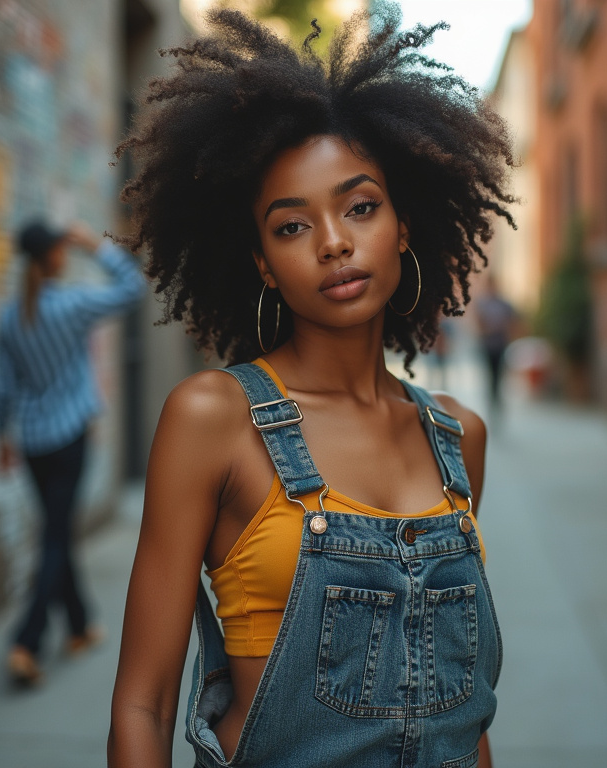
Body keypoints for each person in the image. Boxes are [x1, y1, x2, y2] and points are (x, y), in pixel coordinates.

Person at [108, 5, 516, 766]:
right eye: (291, 226)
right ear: (262, 263)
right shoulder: (214, 418)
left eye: (361, 207)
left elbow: (464, 707)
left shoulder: (459, 437)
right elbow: (144, 701)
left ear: (402, 225)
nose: (333, 243)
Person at [0, 218, 147, 686]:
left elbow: (2, 387)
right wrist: (94, 247)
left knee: (56, 530)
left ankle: (79, 626)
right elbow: (133, 288)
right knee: (56, 538)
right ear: (55, 255)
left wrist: (2, 436)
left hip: (34, 442)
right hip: (71, 439)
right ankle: (27, 640)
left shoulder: (9, 316)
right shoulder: (72, 305)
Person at [475, 276, 518, 405]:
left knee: (499, 370)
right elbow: (478, 322)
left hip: (500, 342)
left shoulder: (504, 304)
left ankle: (496, 394)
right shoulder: (483, 304)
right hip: (487, 343)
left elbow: (512, 321)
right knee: (489, 370)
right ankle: (491, 394)